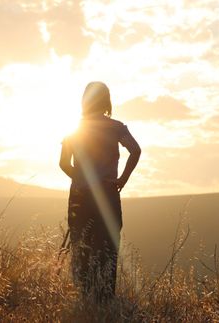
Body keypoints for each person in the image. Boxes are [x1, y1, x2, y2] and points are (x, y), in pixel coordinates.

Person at [59, 81, 141, 303]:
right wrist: (122, 179)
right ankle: (104, 302)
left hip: (80, 196)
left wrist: (83, 178)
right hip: (107, 194)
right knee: (108, 250)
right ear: (107, 101)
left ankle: (83, 301)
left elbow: (64, 163)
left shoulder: (74, 129)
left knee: (80, 248)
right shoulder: (115, 128)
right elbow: (135, 150)